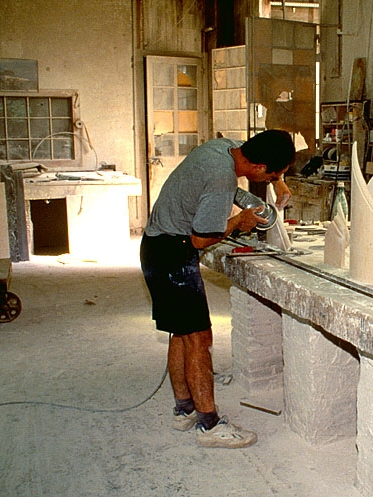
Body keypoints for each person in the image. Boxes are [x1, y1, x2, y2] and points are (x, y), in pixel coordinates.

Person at [140, 129, 295, 449]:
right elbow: (201, 239)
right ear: (259, 167)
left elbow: (243, 184)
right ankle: (209, 424)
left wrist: (274, 183)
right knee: (198, 338)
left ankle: (184, 409)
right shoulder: (221, 179)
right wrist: (239, 222)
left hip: (157, 244)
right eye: (274, 173)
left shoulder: (223, 148)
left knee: (183, 333)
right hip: (173, 252)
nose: (276, 179)